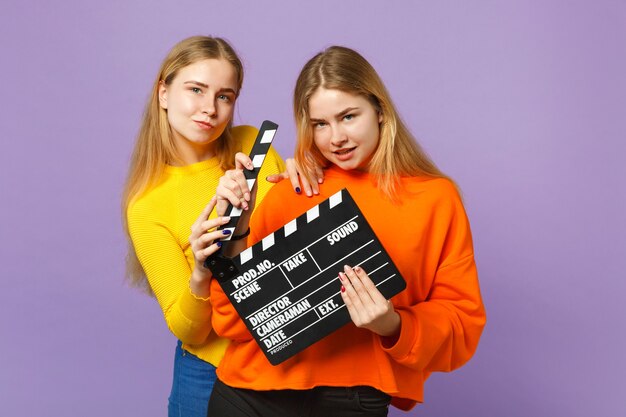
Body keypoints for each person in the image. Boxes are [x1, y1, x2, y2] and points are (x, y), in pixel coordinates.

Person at [205, 46, 486, 416]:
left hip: (353, 398)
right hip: (250, 393)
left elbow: (462, 323)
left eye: (349, 116)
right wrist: (236, 235)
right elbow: (230, 319)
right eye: (320, 124)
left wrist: (393, 324)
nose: (335, 137)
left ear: (380, 110)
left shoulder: (435, 199)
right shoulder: (294, 189)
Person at [122, 36, 319, 417]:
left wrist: (304, 188)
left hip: (288, 359)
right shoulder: (147, 204)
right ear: (163, 92)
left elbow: (300, 253)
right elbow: (190, 331)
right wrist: (200, 271)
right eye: (196, 90)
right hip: (210, 371)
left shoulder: (253, 145)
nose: (209, 109)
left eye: (224, 96)